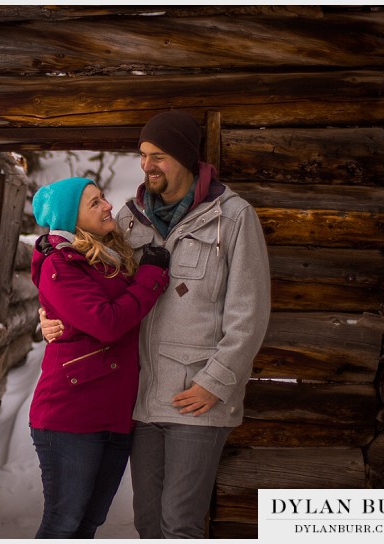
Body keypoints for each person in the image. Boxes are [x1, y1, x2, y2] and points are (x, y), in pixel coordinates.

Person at [40, 110, 271, 538]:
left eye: (159, 155)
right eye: (143, 155)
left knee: (179, 523)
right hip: (141, 400)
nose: (148, 165)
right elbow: (84, 281)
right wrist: (50, 317)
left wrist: (216, 382)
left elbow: (249, 312)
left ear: (184, 157)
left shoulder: (233, 218)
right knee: (147, 523)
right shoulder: (128, 218)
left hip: (196, 398)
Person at [28, 176, 171, 538]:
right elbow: (106, 323)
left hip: (115, 413)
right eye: (94, 203)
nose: (108, 205)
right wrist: (151, 276)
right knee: (63, 523)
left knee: (88, 523)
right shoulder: (60, 265)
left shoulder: (106, 256)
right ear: (70, 219)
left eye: (103, 197)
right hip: (71, 416)